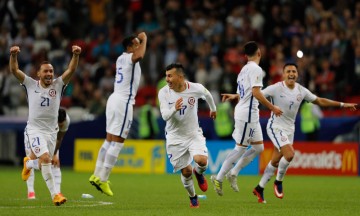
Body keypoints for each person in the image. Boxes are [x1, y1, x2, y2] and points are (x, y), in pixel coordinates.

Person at [225, 63, 357, 203]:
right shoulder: (275, 88)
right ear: (283, 74)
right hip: (275, 126)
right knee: (290, 154)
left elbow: (319, 101)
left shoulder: (301, 90)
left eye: (294, 71)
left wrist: (343, 104)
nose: (291, 73)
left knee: (275, 160)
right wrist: (236, 96)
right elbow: (255, 94)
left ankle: (260, 188)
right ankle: (278, 182)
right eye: (288, 71)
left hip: (290, 129)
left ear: (297, 74)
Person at [10, 45, 81, 206]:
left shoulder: (58, 85)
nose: (49, 74)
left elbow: (71, 70)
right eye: (46, 71)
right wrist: (13, 56)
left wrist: (76, 55)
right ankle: (55, 195)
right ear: (38, 74)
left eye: (51, 71)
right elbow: (15, 70)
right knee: (46, 158)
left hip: (51, 132)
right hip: (34, 130)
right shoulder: (30, 84)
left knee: (44, 164)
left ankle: (28, 163)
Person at [210, 41, 282, 196]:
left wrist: (235, 95)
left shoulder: (243, 70)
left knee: (259, 148)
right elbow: (256, 93)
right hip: (247, 114)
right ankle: (219, 177)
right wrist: (272, 107)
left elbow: (246, 92)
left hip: (250, 113)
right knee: (241, 148)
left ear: (245, 56)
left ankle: (233, 172)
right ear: (259, 53)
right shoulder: (256, 70)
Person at [89, 32, 147, 196]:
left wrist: (139, 40)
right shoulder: (130, 57)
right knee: (118, 142)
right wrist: (145, 39)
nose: (139, 46)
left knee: (109, 140)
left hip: (113, 99)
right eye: (136, 43)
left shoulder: (120, 58)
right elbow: (140, 55)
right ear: (130, 47)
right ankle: (103, 179)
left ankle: (96, 174)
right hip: (123, 102)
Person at [158, 63, 217, 208]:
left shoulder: (194, 88)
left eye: (170, 76)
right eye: (166, 76)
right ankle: (193, 197)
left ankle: (199, 173)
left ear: (180, 76)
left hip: (193, 134)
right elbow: (165, 115)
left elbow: (207, 94)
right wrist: (174, 109)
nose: (167, 79)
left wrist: (213, 109)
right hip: (174, 137)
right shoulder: (164, 92)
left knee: (201, 161)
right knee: (186, 171)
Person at [25, 108, 70, 199]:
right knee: (33, 158)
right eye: (58, 125)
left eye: (61, 125)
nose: (61, 126)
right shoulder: (46, 118)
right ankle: (31, 192)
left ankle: (57, 192)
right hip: (33, 133)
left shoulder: (66, 121)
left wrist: (55, 154)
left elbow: (59, 138)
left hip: (49, 136)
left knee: (53, 162)